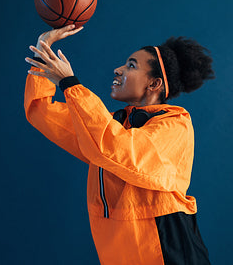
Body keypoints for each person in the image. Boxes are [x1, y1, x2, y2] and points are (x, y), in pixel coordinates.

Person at [24, 25, 214, 265]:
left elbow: (121, 150)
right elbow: (42, 112)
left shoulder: (175, 124)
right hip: (119, 254)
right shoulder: (112, 124)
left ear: (154, 84)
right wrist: (44, 50)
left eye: (131, 65)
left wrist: (71, 84)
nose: (118, 69)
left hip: (167, 252)